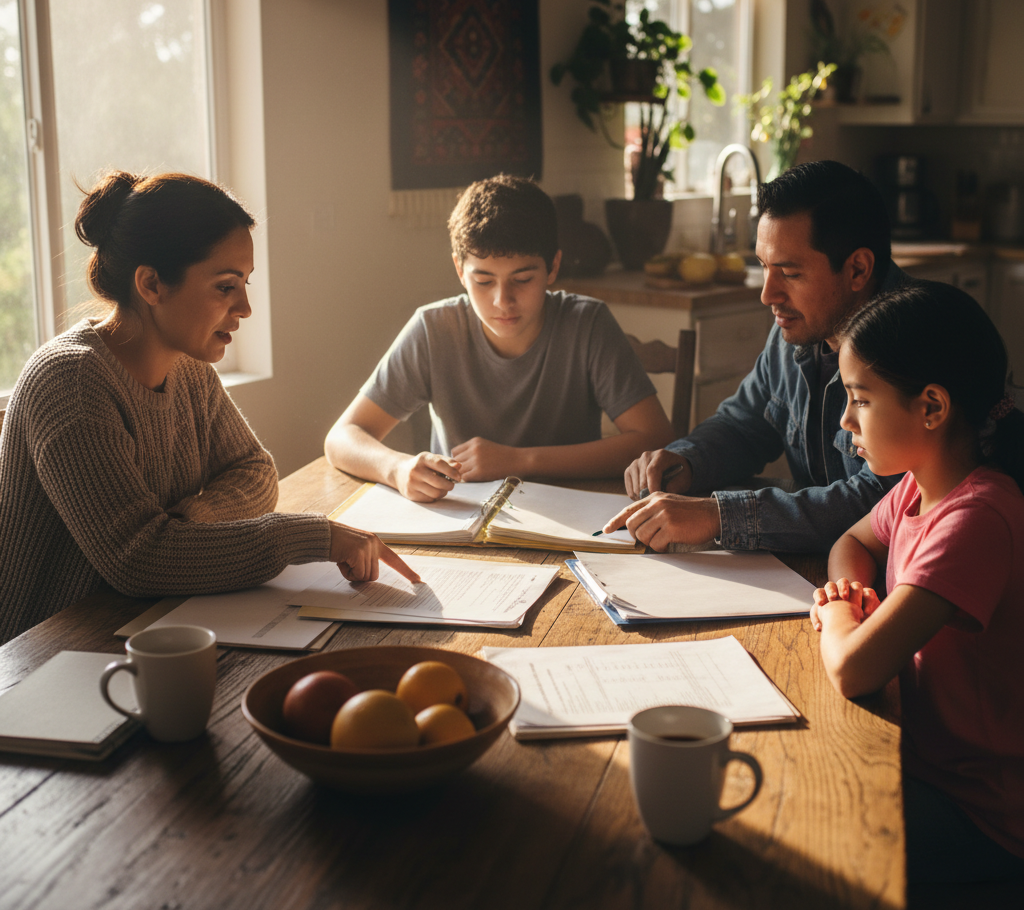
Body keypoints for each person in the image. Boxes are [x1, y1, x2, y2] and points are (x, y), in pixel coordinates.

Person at [0, 171, 417, 647]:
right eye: (225, 287)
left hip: (148, 622)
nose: (245, 307)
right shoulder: (70, 381)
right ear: (152, 284)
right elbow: (138, 560)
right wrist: (310, 538)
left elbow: (255, 471)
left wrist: (185, 529)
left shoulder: (189, 367)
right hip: (49, 652)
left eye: (245, 283)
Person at [810, 281, 1024, 885]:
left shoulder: (976, 517)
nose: (847, 419)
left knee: (815, 826)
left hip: (982, 816)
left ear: (931, 406)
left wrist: (837, 615)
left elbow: (854, 669)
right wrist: (849, 593)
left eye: (861, 399)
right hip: (922, 760)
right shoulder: (918, 485)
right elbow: (850, 544)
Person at [604, 160, 910, 553]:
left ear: (858, 269)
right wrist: (686, 462)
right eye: (765, 267)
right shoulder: (799, 329)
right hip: (828, 569)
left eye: (790, 273)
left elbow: (881, 503)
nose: (768, 295)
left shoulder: (912, 344)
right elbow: (744, 424)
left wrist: (718, 516)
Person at [325, 174, 673, 501]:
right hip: (462, 525)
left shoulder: (587, 324)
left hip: (568, 520)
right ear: (460, 271)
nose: (502, 301)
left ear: (553, 267)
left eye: (522, 279)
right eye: (484, 281)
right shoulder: (434, 329)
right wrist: (396, 468)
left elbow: (655, 439)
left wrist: (519, 460)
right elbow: (343, 437)